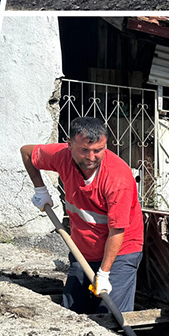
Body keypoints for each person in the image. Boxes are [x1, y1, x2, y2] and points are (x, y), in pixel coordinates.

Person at [20, 116, 145, 314]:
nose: (92, 157)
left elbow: (117, 231)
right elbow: (27, 152)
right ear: (69, 144)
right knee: (72, 311)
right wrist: (40, 190)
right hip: (83, 250)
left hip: (120, 251)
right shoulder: (61, 156)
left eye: (98, 150)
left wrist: (104, 273)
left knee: (110, 316)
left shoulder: (117, 178)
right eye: (84, 150)